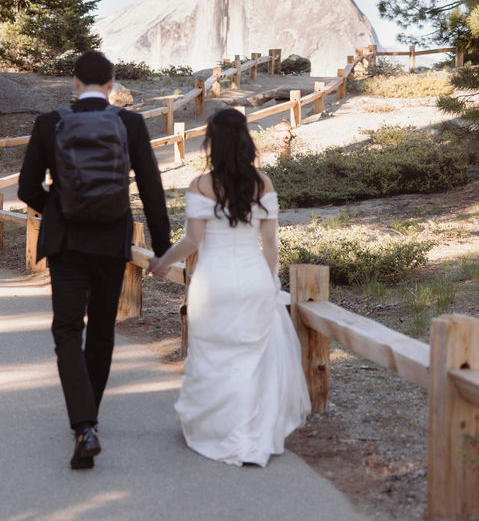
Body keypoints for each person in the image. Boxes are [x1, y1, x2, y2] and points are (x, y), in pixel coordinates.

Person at [18, 50, 172, 470]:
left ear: (73, 82)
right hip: (111, 240)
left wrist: (58, 207)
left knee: (67, 330)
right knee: (102, 329)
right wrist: (161, 248)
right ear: (111, 84)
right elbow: (152, 190)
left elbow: (27, 187)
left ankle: (83, 426)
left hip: (66, 241)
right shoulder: (130, 123)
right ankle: (91, 423)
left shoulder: (50, 123)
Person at [148, 107, 311, 467]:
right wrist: (270, 282)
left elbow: (192, 241)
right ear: (246, 140)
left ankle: (219, 432)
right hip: (253, 277)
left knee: (213, 355)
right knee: (250, 356)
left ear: (212, 142)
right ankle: (252, 432)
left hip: (213, 281)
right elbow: (270, 244)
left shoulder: (201, 184)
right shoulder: (264, 183)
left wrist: (162, 262)